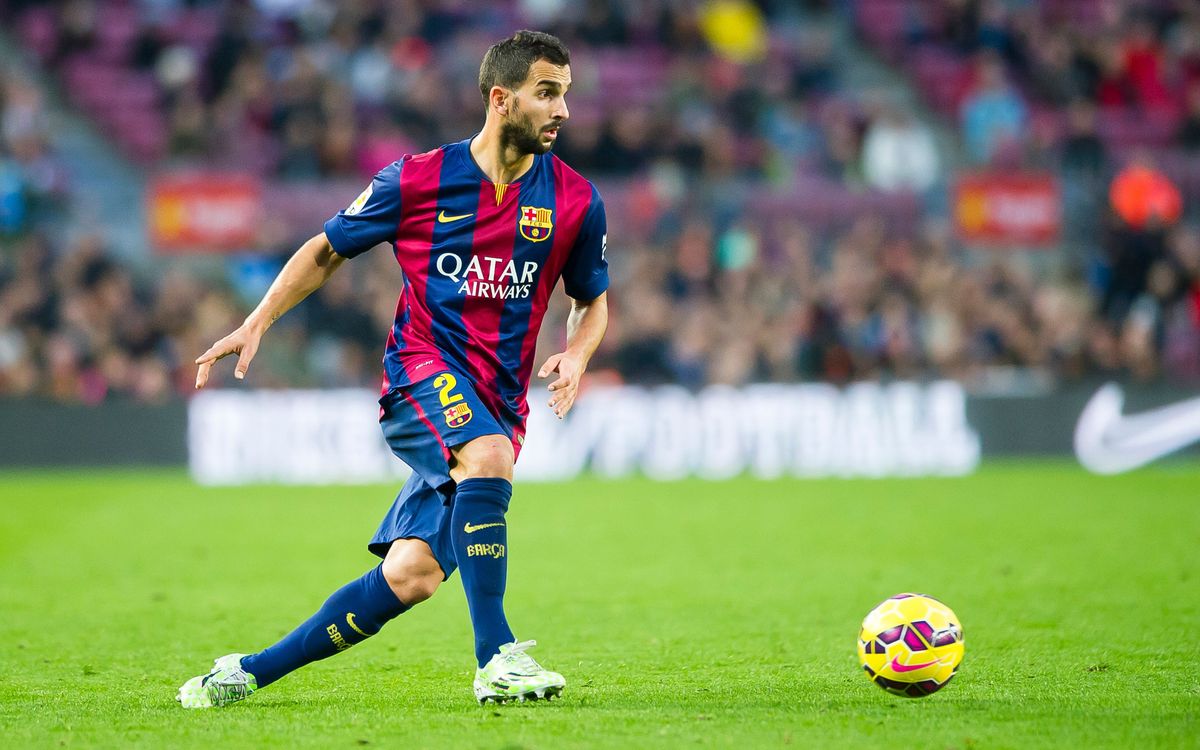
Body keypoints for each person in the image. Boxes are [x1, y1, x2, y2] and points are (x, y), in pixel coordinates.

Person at [176, 30, 608, 708]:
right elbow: (326, 250)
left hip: (498, 401)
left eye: (566, 95)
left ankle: (247, 672)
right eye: (547, 93)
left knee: (412, 576)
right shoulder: (418, 179)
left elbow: (591, 301)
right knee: (488, 457)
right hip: (419, 376)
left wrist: (578, 354)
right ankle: (496, 656)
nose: (563, 111)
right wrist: (257, 320)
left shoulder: (577, 201)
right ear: (501, 98)